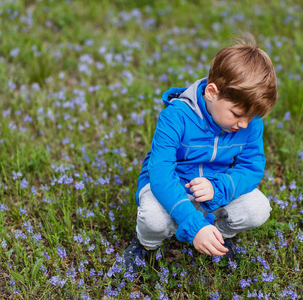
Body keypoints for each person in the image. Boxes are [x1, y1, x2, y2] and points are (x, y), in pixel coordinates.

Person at [115, 32, 277, 274]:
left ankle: (218, 234)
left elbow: (251, 167)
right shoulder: (175, 116)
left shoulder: (249, 124)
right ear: (211, 92)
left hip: (212, 190)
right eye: (237, 114)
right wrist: (193, 225)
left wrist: (219, 187)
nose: (244, 124)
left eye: (251, 117)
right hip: (171, 186)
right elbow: (160, 174)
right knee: (154, 220)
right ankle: (146, 245)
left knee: (258, 208)